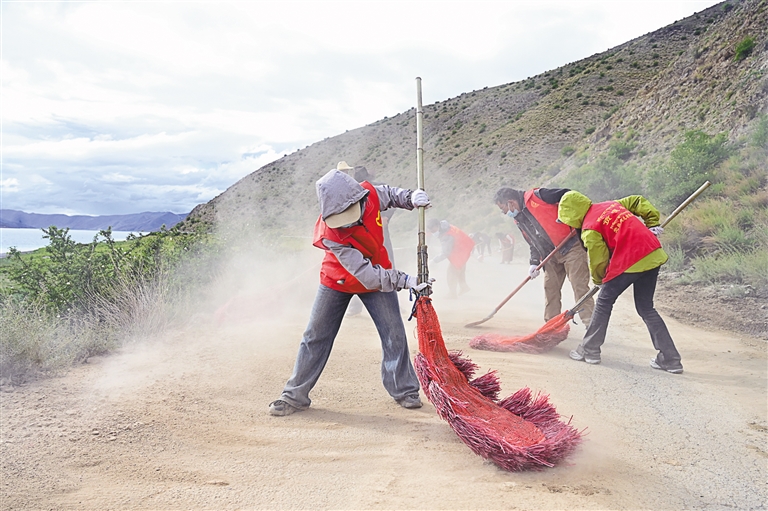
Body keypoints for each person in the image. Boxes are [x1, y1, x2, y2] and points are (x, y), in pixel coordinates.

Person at [269, 169, 433, 416]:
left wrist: (410, 198)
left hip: (379, 270)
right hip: (338, 279)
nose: (346, 222)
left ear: (359, 198)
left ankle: (405, 390)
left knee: (394, 334)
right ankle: (294, 395)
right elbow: (364, 274)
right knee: (315, 336)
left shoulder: (371, 194)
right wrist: (405, 280)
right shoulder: (330, 233)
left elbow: (390, 194)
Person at [557, 190, 683, 374]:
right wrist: (652, 223)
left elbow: (598, 259)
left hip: (631, 260)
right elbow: (636, 200)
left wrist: (599, 280)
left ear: (572, 214)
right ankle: (671, 360)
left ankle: (590, 350)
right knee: (646, 308)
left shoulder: (590, 228)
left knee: (604, 302)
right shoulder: (609, 205)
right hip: (652, 253)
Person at [494, 187, 594, 327]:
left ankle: (590, 324)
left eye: (503, 208)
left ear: (511, 202)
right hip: (550, 255)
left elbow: (569, 195)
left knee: (579, 286)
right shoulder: (518, 219)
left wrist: (569, 216)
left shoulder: (539, 196)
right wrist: (534, 262)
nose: (504, 212)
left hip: (571, 246)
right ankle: (552, 326)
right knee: (550, 288)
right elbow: (532, 242)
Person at [337, 161, 399, 317]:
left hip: (380, 235)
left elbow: (391, 201)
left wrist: (385, 216)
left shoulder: (377, 188)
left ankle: (393, 305)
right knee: (358, 269)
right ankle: (356, 306)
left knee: (387, 265)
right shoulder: (351, 192)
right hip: (360, 237)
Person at [427, 219, 474, 298]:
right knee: (459, 269)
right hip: (465, 247)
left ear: (437, 226)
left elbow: (445, 253)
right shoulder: (446, 226)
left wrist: (434, 261)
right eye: (431, 231)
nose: (433, 233)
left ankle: (452, 294)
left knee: (451, 272)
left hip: (461, 251)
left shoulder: (447, 235)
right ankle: (464, 287)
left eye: (433, 230)